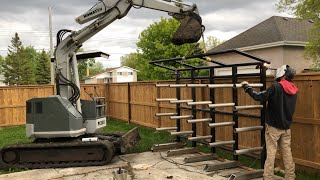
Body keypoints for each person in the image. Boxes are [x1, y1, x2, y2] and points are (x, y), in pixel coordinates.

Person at [240, 65, 298, 180]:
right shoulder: (293, 89)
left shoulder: (275, 87)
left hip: (273, 127)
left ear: (281, 74)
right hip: (286, 127)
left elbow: (258, 96)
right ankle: (290, 177)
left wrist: (247, 87)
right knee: (287, 153)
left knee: (271, 152)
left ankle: (267, 177)